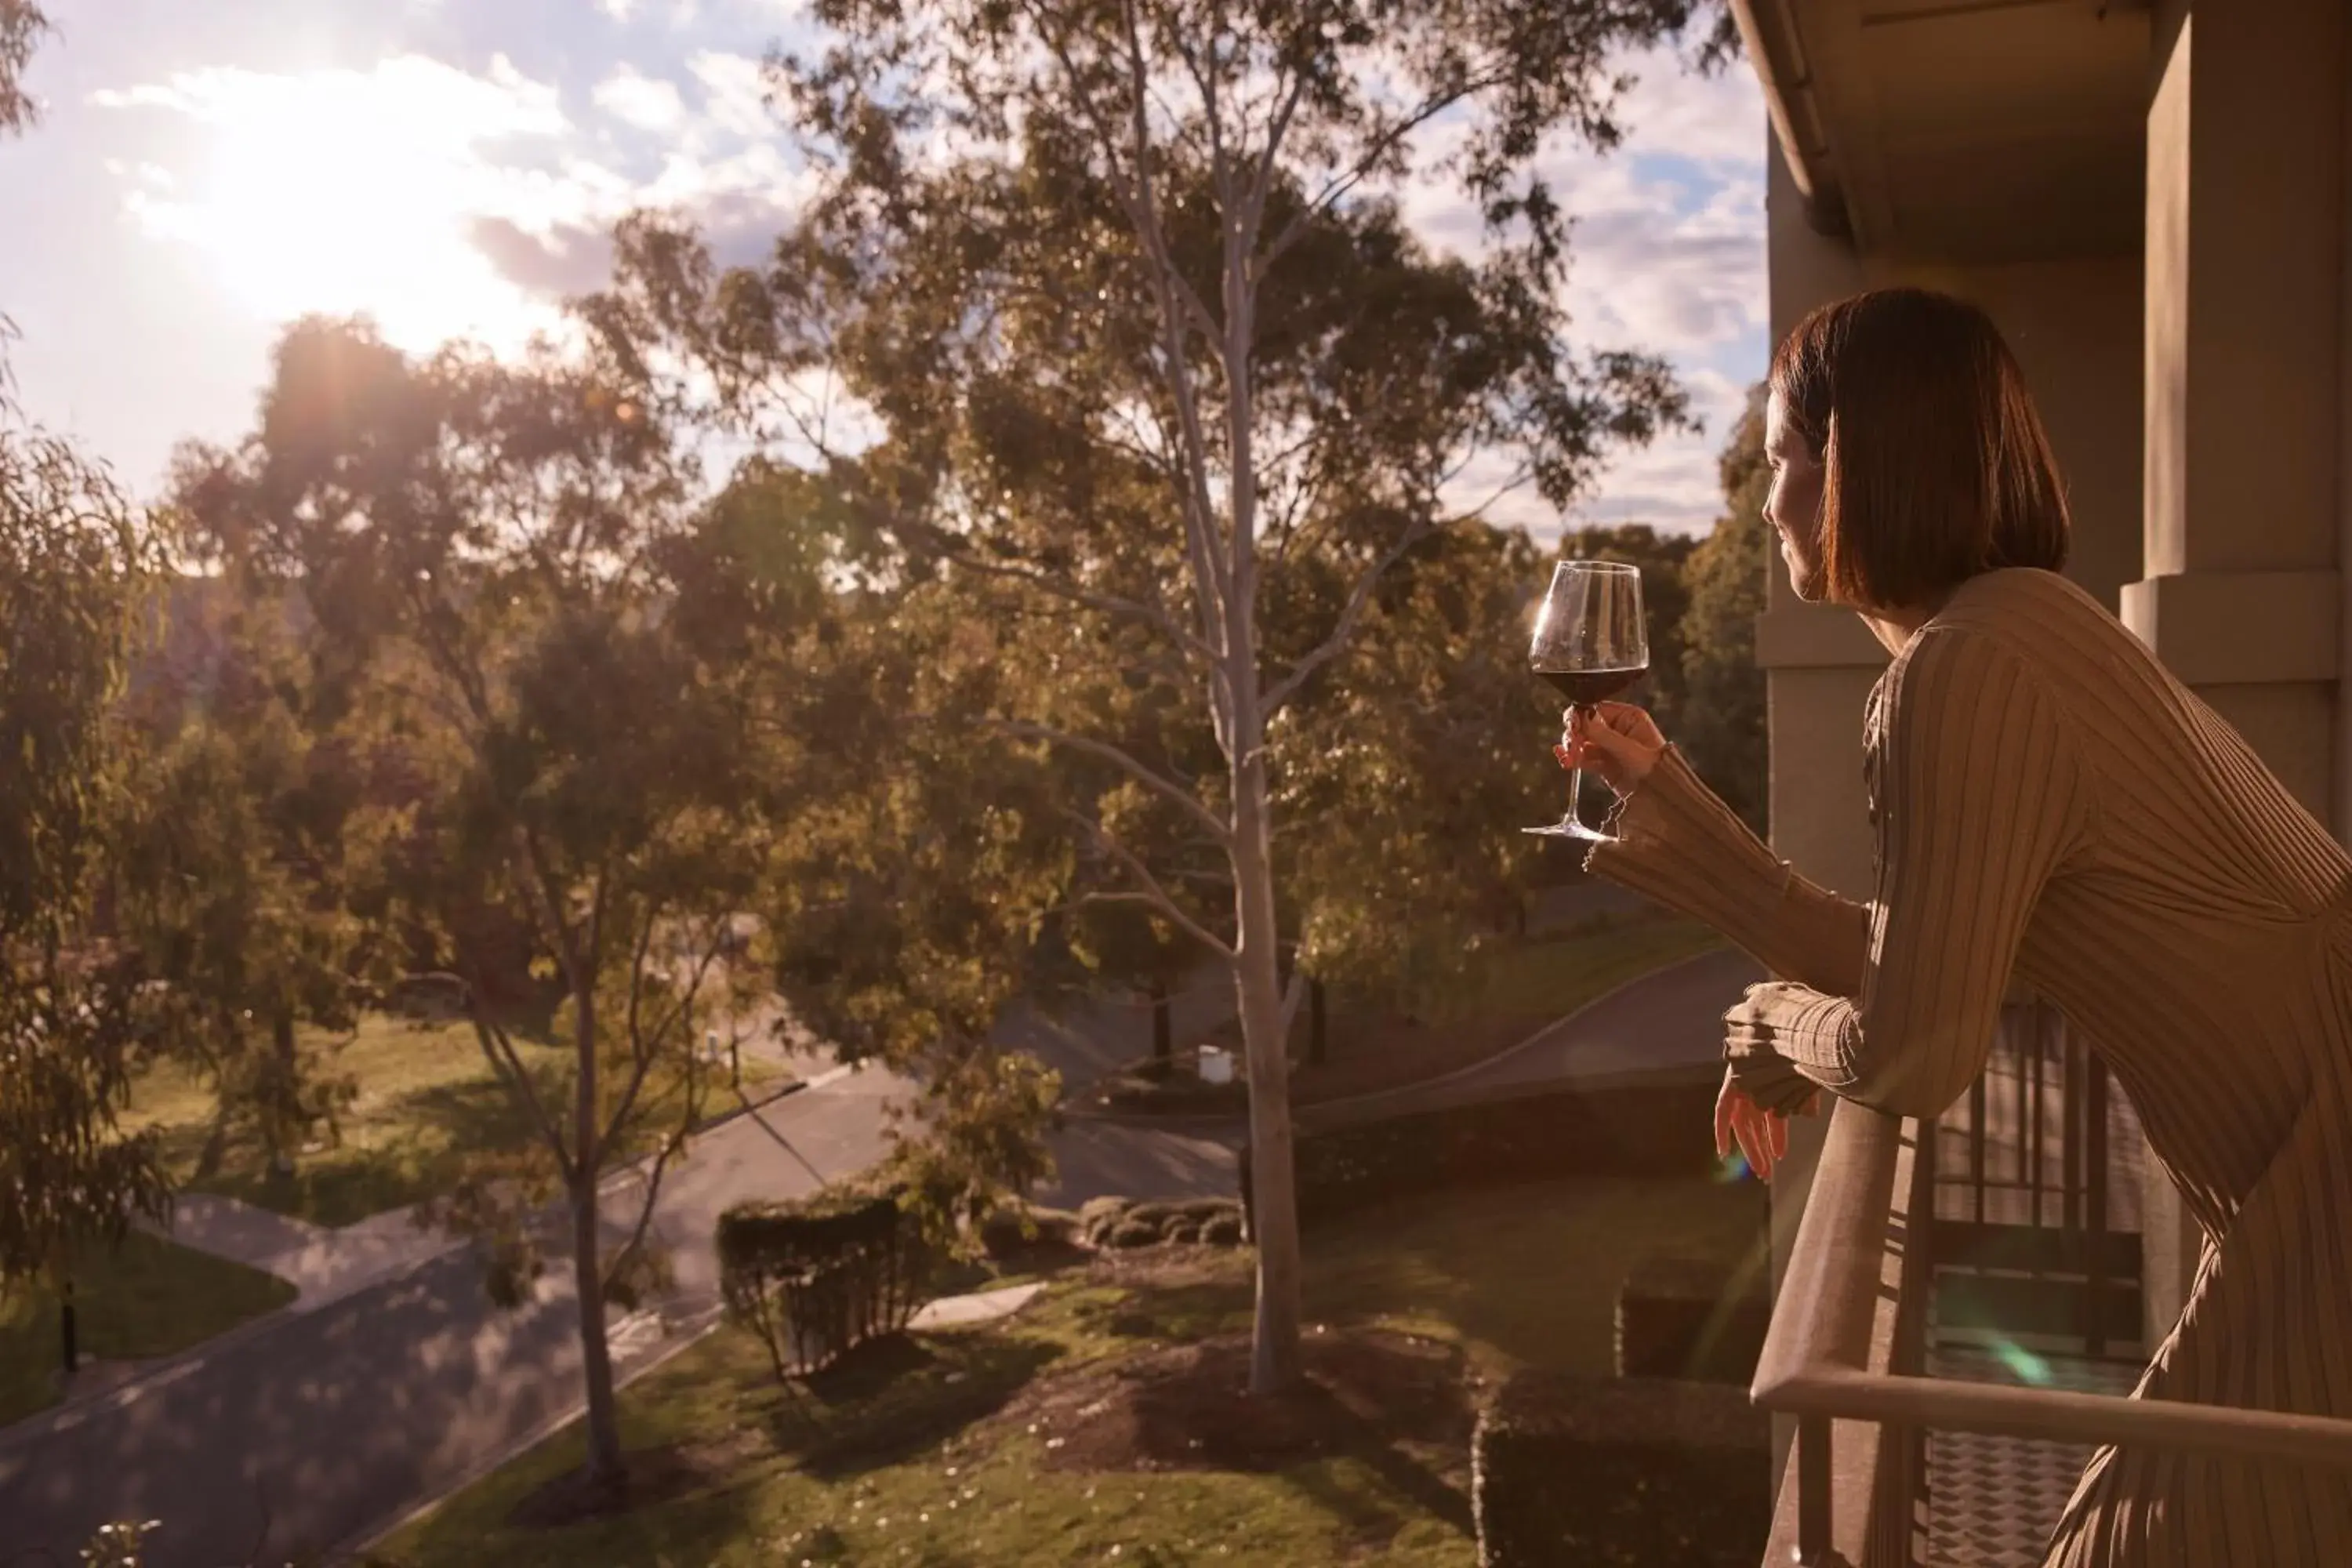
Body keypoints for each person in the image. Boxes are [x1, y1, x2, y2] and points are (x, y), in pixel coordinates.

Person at [1558, 285, 2352, 1565]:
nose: (1766, 504)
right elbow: (1914, 955)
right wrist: (1664, 796)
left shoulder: (1964, 670)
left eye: (1786, 462)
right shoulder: (2020, 627)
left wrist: (1770, 1023)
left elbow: (1919, 1050)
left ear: (1865, 465)